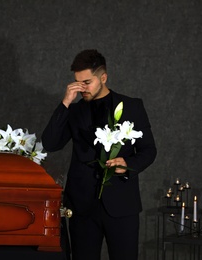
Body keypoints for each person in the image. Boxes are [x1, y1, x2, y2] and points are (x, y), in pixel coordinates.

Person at [42, 49, 156, 260]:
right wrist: (66, 102)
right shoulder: (73, 111)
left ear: (103, 77)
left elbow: (149, 150)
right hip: (82, 206)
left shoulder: (132, 106)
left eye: (87, 82)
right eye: (77, 82)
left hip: (122, 204)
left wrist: (128, 164)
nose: (81, 88)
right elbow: (50, 143)